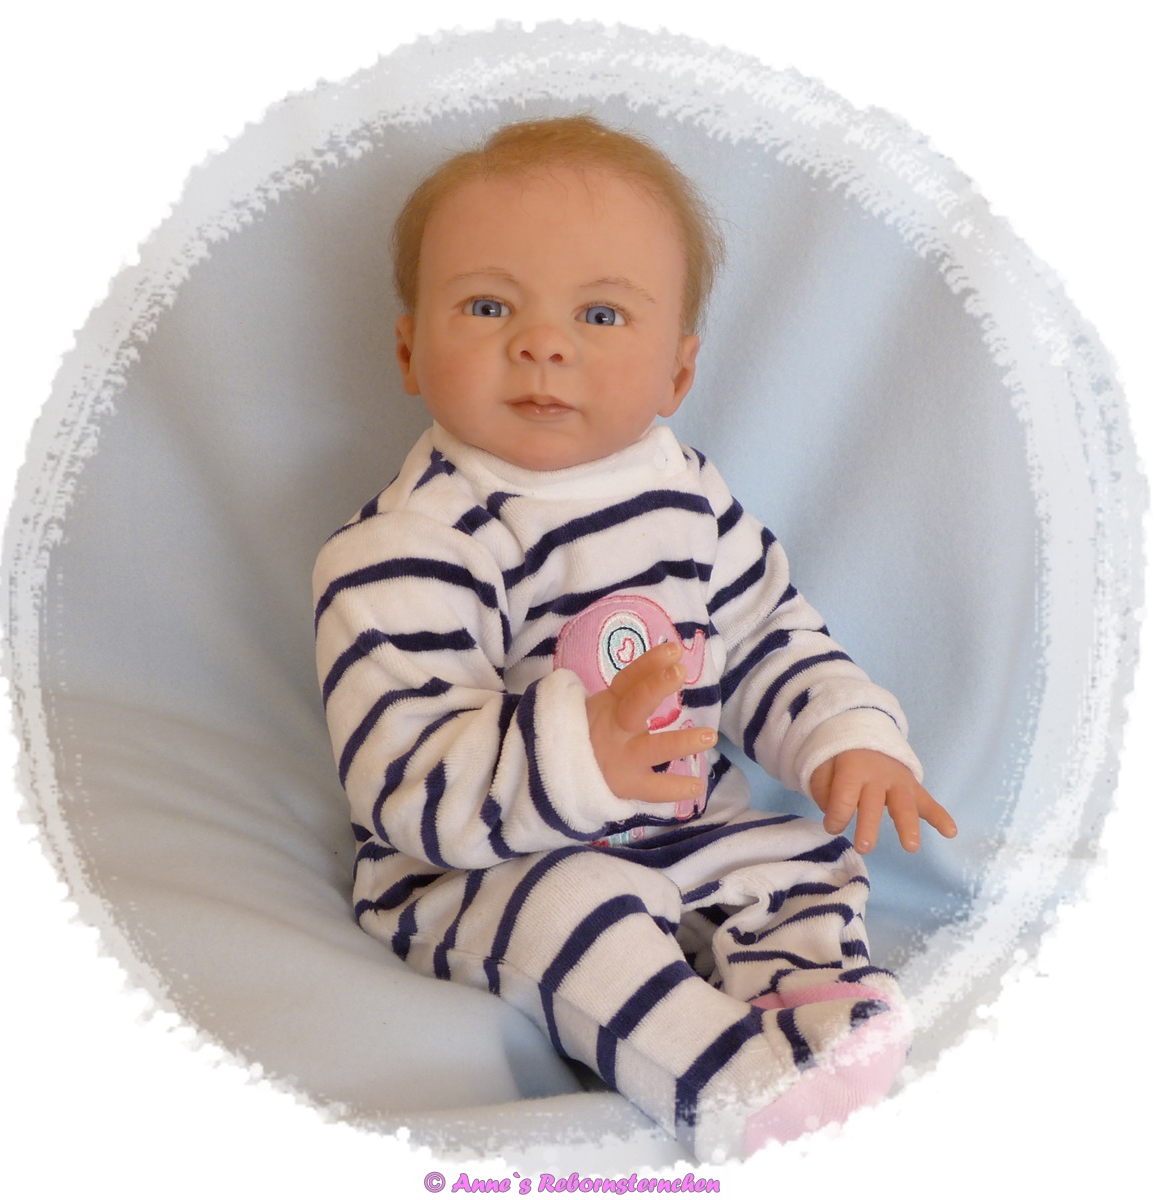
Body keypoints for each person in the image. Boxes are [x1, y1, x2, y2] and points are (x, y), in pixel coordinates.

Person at [312, 115, 957, 1160]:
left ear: (675, 375)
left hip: (686, 823)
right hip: (487, 861)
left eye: (601, 314)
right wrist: (578, 754)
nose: (543, 343)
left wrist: (842, 734)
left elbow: (763, 633)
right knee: (574, 914)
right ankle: (727, 1086)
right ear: (408, 349)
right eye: (487, 306)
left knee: (798, 861)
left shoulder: (686, 496)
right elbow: (404, 778)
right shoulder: (407, 547)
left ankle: (822, 1024)